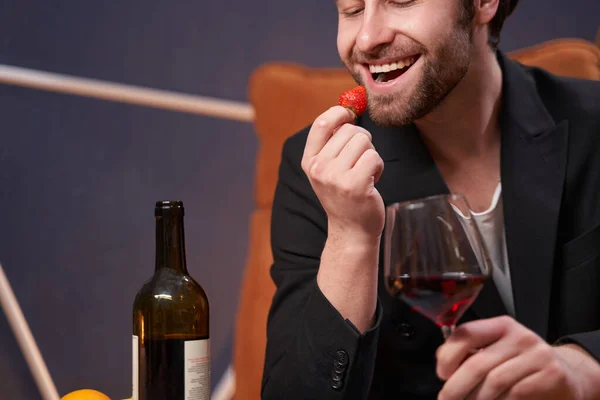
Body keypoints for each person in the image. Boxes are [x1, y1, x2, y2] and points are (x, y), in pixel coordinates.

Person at [261, 0, 600, 398]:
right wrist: (350, 237)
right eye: (352, 10)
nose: (367, 39)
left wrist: (584, 367)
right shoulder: (317, 171)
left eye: (401, 1)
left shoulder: (592, 124)